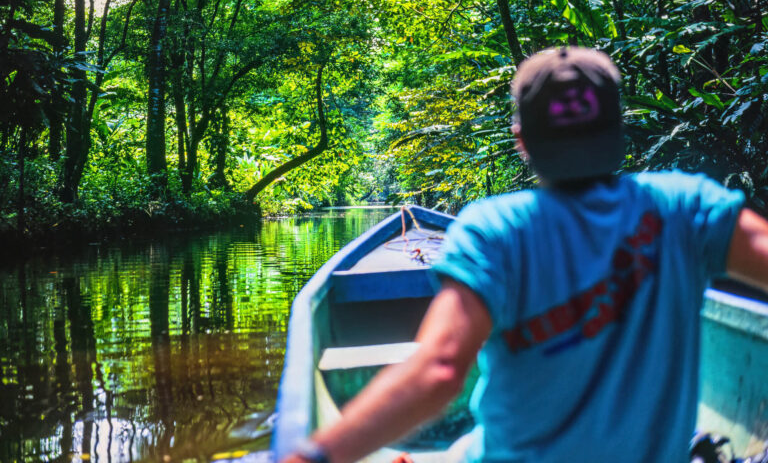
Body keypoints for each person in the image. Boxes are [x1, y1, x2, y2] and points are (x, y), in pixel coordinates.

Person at [281, 47, 768, 463]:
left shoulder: (496, 228)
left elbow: (441, 369)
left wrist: (314, 454)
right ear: (619, 127)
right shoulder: (683, 207)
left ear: (522, 140)